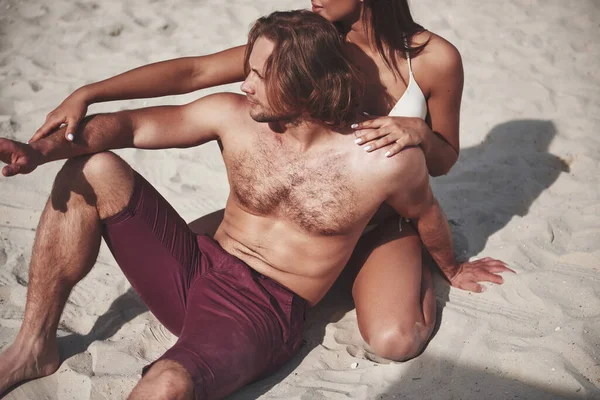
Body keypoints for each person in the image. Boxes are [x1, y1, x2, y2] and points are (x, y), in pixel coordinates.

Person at [0, 10, 511, 400]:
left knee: (168, 382)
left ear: (305, 83)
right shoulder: (235, 115)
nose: (245, 84)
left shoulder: (382, 161)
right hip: (196, 265)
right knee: (91, 168)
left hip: (259, 311)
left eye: (261, 74)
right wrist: (39, 151)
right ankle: (34, 345)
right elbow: (132, 126)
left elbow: (426, 213)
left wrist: (453, 265)